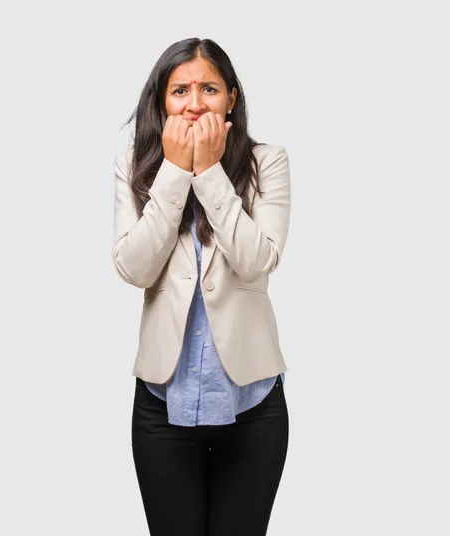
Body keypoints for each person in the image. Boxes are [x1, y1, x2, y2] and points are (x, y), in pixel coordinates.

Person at [111, 37, 291, 536]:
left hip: (252, 407)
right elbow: (134, 268)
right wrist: (173, 172)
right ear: (162, 101)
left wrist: (210, 172)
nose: (194, 104)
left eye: (209, 89)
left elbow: (258, 262)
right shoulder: (134, 166)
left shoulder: (266, 163)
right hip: (161, 407)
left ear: (231, 98)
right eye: (180, 91)